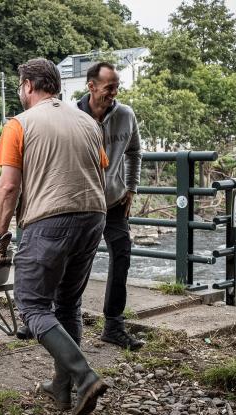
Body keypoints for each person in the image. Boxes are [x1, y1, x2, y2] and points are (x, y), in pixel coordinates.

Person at [0, 58, 109, 415]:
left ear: (28, 85)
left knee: (31, 305)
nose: (19, 90)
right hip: (94, 216)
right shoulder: (88, 122)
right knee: (68, 304)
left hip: (50, 220)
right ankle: (61, 388)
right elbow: (99, 165)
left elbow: (9, 188)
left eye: (19, 85)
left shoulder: (19, 125)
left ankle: (84, 375)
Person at [77, 62, 144, 351]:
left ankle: (114, 326)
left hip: (115, 202)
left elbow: (135, 152)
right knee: (74, 262)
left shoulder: (126, 115)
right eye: (109, 88)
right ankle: (64, 320)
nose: (114, 93)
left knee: (123, 257)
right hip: (80, 203)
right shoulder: (71, 116)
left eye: (117, 87)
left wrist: (131, 188)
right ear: (91, 86)